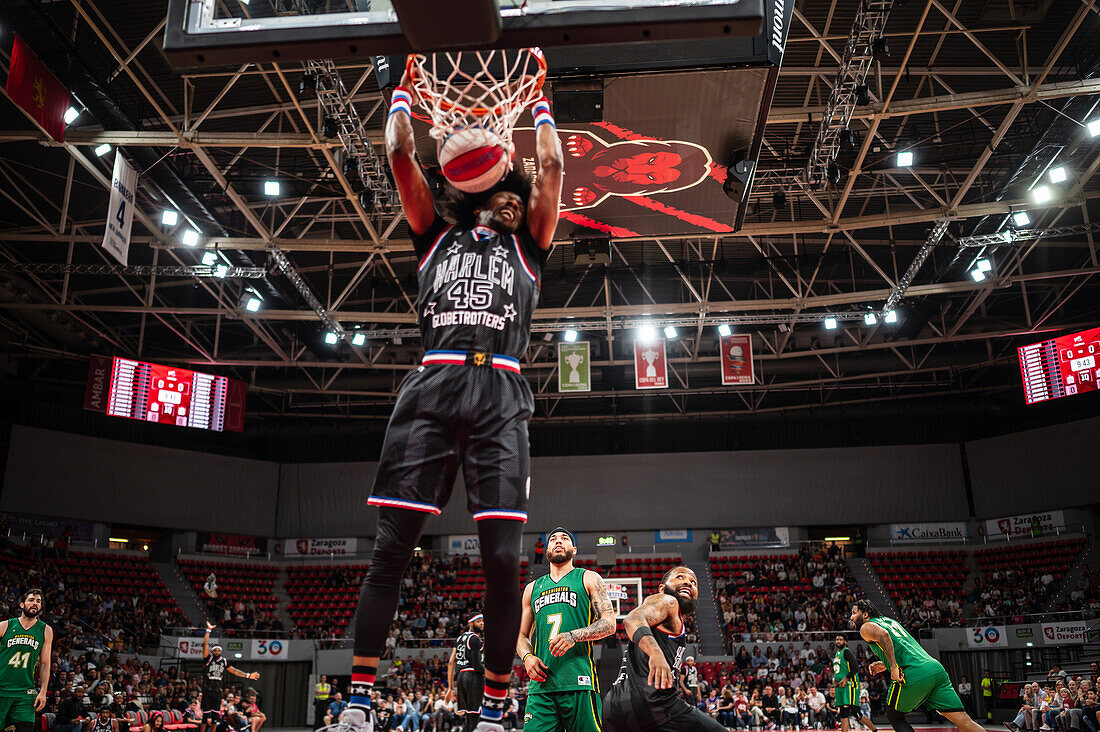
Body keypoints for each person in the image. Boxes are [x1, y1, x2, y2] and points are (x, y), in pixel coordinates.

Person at [333, 62, 564, 732]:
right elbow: (400, 150)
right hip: (434, 380)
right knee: (392, 548)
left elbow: (551, 170)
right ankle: (357, 699)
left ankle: (495, 707)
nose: (518, 198)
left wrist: (541, 104)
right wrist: (403, 89)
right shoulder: (432, 233)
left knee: (501, 560)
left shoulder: (530, 246)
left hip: (501, 385)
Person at [517, 527, 617, 732]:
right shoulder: (532, 588)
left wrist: (574, 635)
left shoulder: (588, 578)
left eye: (565, 538)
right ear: (546, 551)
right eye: (553, 539)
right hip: (541, 685)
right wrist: (527, 657)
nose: (558, 541)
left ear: (575, 549)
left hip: (579, 681)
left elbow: (609, 623)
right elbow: (520, 635)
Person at [602, 566, 723, 732]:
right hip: (654, 704)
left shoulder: (670, 622)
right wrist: (656, 653)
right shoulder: (667, 601)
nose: (688, 582)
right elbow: (632, 619)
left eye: (693, 582)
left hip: (616, 706)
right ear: (661, 588)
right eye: (680, 577)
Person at [852, 600, 985, 732]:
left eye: (853, 613)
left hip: (913, 673)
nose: (851, 617)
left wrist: (893, 668)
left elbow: (884, 636)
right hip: (934, 669)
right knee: (964, 720)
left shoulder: (866, 626)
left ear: (865, 614)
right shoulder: (890, 621)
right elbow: (904, 646)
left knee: (894, 716)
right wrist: (885, 663)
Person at [0, 589, 53, 732]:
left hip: (25, 692)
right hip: (2, 689)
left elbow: (45, 663)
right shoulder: (5, 626)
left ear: (41, 607)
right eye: (31, 600)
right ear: (22, 605)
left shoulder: (46, 630)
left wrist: (43, 691)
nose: (35, 603)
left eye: (38, 601)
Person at [201, 623, 260, 732]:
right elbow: (205, 645)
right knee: (205, 718)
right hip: (207, 691)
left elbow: (235, 671)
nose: (217, 652)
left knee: (214, 718)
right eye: (215, 650)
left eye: (219, 650)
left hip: (217, 692)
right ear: (212, 651)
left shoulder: (224, 661)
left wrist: (248, 675)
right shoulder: (208, 659)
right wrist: (208, 631)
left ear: (221, 651)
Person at [446, 615, 485, 732]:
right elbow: (477, 665)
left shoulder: (459, 639)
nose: (482, 623)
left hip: (461, 677)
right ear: (470, 623)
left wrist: (450, 688)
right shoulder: (475, 639)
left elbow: (451, 662)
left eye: (483, 621)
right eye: (478, 621)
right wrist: (491, 674)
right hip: (472, 677)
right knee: (475, 720)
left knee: (469, 719)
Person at [833, 634, 876, 732]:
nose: (838, 641)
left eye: (840, 639)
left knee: (856, 713)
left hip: (850, 686)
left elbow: (856, 668)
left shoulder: (847, 652)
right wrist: (835, 680)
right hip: (841, 687)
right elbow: (839, 670)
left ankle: (875, 730)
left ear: (845, 642)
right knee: (843, 713)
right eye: (837, 639)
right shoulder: (837, 654)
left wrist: (845, 679)